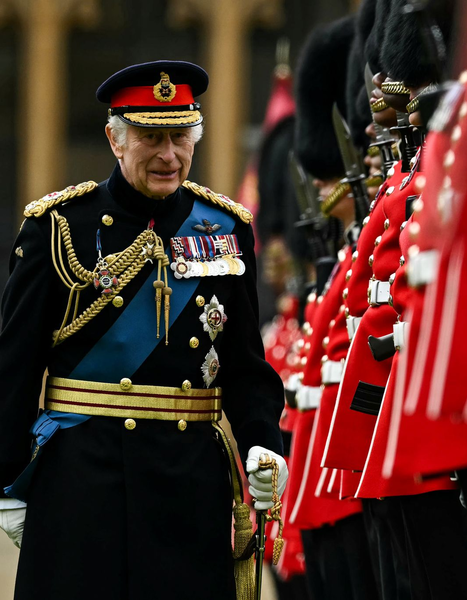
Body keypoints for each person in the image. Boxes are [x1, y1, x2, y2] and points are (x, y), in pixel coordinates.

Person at [0, 60, 287, 600]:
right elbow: (14, 366)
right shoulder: (59, 226)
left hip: (188, 488)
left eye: (181, 137)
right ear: (115, 139)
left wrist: (264, 444)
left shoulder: (224, 228)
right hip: (81, 485)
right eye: (151, 138)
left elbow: (247, 366)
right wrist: (7, 482)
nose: (169, 155)